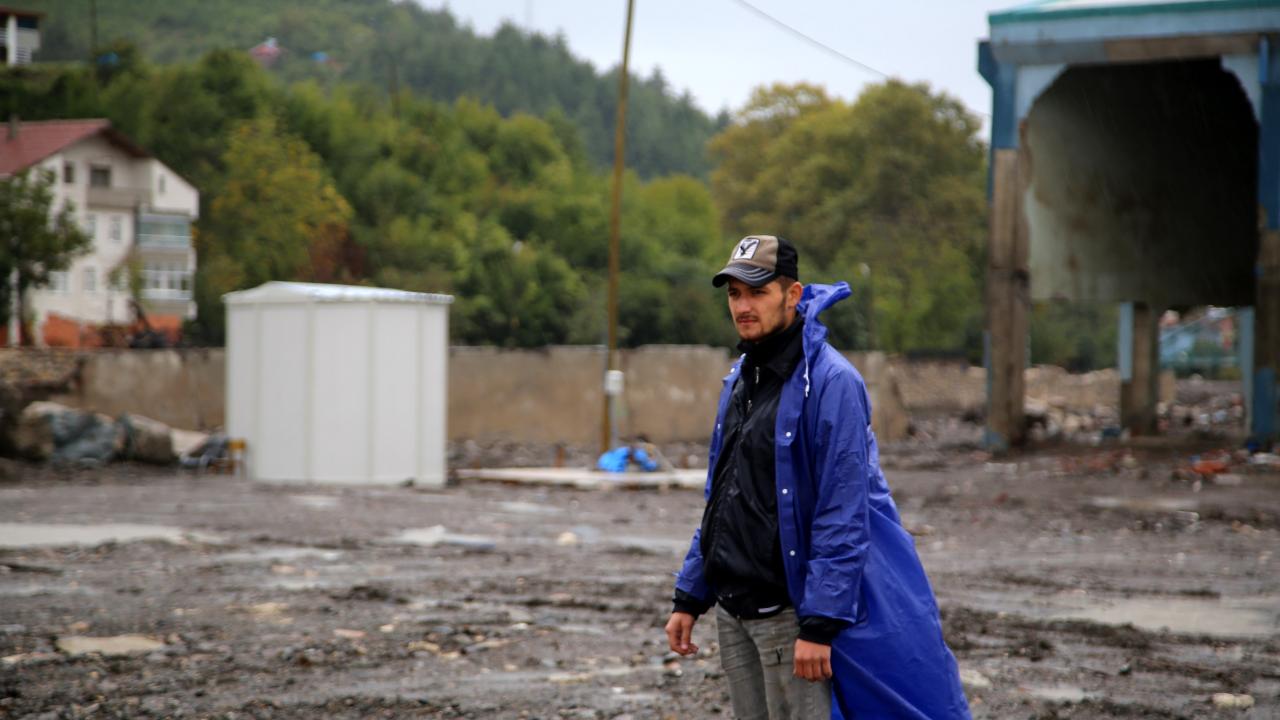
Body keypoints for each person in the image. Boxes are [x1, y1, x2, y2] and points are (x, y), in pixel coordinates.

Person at [665, 235, 970, 719]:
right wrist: (690, 595)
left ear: (792, 295)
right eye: (734, 294)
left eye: (757, 292)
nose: (743, 306)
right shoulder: (741, 378)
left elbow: (843, 510)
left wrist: (820, 623)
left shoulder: (832, 383)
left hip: (787, 619)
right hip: (735, 614)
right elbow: (722, 497)